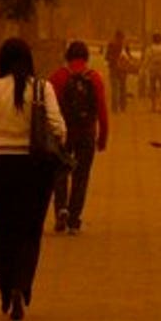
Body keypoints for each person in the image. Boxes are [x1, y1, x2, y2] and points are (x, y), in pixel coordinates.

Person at [0, 37, 67, 320]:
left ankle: (5, 286)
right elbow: (58, 129)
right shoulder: (42, 87)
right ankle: (22, 286)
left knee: (5, 229)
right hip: (35, 168)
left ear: (2, 61)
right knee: (31, 230)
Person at [46, 40, 109, 234]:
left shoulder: (58, 77)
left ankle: (61, 210)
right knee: (81, 176)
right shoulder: (94, 78)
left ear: (67, 56)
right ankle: (74, 220)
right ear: (86, 58)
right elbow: (101, 110)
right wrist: (103, 137)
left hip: (63, 134)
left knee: (60, 173)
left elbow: (49, 108)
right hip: (86, 133)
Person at [103, 30, 132, 113]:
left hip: (113, 68)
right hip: (123, 70)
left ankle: (115, 108)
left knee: (115, 88)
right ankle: (123, 106)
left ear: (115, 36)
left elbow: (107, 57)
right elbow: (129, 57)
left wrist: (113, 60)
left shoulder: (111, 45)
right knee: (123, 88)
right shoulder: (125, 46)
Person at [142, 31, 161, 113]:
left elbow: (146, 61)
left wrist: (143, 69)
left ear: (152, 40)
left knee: (152, 89)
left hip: (152, 71)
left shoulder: (149, 49)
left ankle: (153, 106)